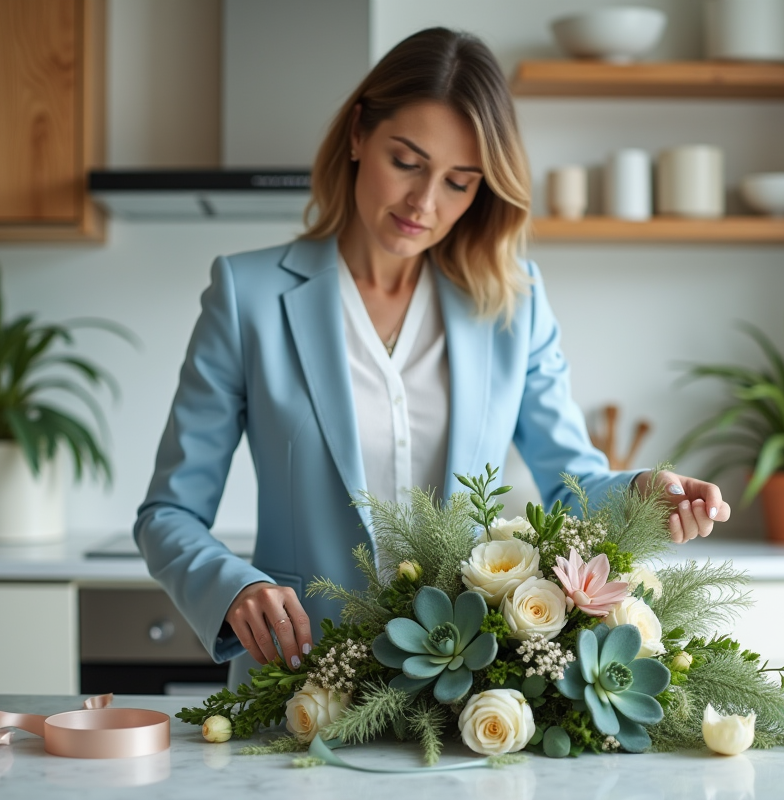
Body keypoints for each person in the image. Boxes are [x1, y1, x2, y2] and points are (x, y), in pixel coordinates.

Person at [134, 27, 731, 690]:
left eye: (458, 182)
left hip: (463, 690)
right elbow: (169, 514)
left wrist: (644, 492)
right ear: (359, 134)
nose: (425, 203)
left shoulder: (514, 304)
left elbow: (570, 483)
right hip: (297, 682)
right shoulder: (248, 296)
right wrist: (232, 589)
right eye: (408, 161)